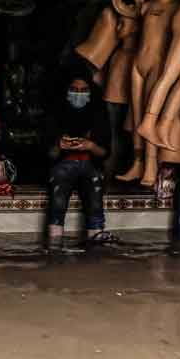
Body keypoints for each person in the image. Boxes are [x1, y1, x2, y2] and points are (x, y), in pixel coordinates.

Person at [46, 75, 115, 249]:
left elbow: (105, 152)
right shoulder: (56, 114)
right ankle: (54, 244)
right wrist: (59, 145)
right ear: (66, 92)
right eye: (74, 90)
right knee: (58, 201)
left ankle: (96, 240)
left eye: (83, 90)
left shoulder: (99, 115)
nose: (78, 94)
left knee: (95, 202)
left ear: (91, 93)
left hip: (91, 165)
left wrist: (90, 146)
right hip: (63, 165)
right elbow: (49, 154)